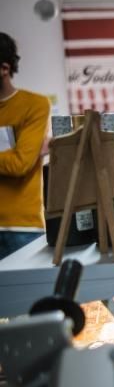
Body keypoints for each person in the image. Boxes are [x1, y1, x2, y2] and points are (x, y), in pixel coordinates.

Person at [0, 33, 50, 260]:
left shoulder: (34, 105)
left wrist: (20, 157)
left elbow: (20, 164)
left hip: (21, 228)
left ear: (4, 68)